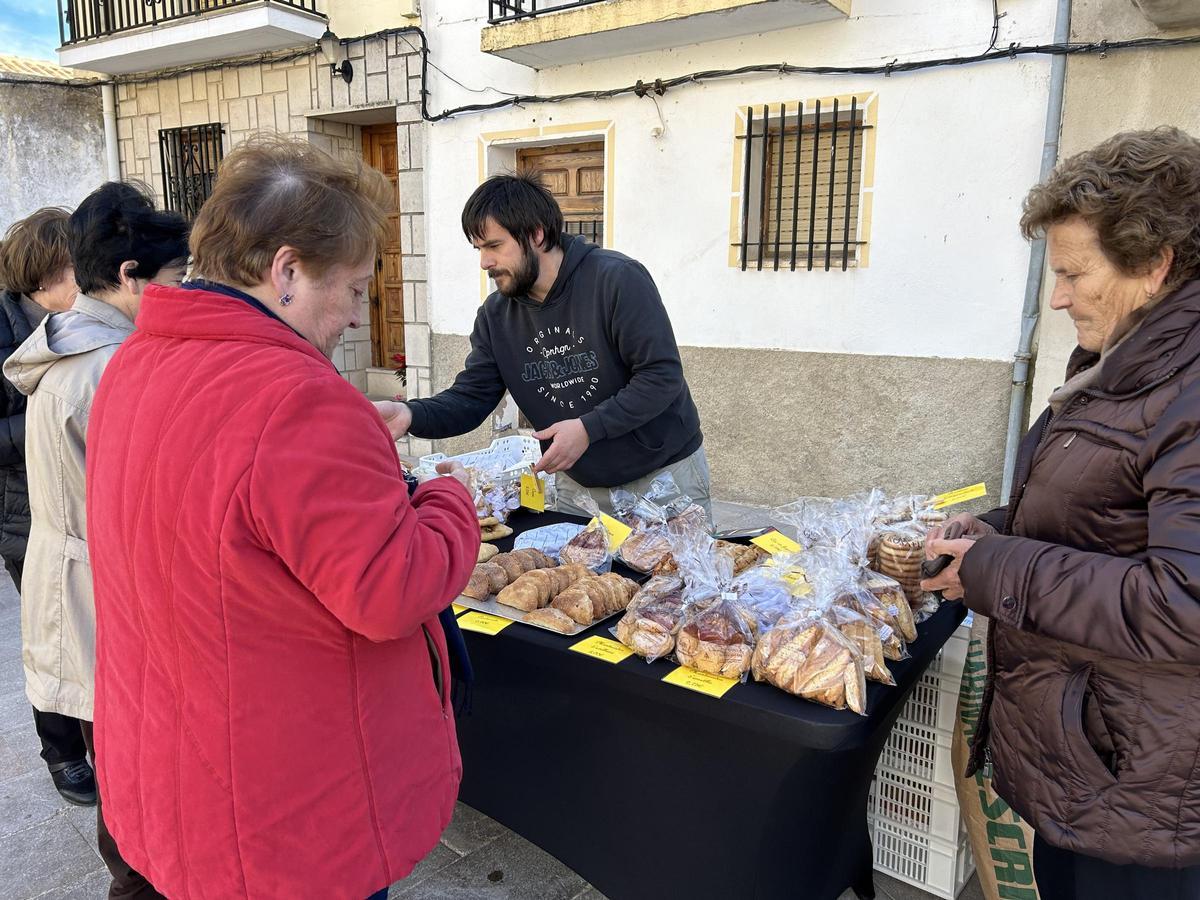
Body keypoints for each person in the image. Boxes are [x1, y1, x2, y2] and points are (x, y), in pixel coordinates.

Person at [86, 138, 480, 900]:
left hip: (178, 768)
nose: (356, 316)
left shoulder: (135, 363)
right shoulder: (296, 395)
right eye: (357, 289)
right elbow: (394, 590)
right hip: (286, 815)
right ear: (288, 271)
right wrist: (446, 497)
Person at [922, 127, 1200, 900]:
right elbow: (1099, 516)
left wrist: (997, 569)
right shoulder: (1126, 360)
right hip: (1096, 764)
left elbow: (1186, 600)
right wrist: (995, 530)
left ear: (1154, 265)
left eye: (1076, 272)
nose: (1057, 296)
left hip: (1148, 788)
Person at [4, 182, 188, 898]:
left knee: (118, 767)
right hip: (104, 598)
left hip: (75, 582)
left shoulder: (72, 350)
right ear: (128, 278)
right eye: (175, 280)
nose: (185, 292)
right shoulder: (114, 368)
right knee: (134, 782)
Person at [380, 172, 710, 518]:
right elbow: (472, 398)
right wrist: (412, 413)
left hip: (663, 479)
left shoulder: (617, 279)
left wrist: (587, 428)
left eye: (494, 246)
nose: (484, 262)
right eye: (479, 249)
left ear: (536, 233)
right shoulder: (496, 316)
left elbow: (660, 376)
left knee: (681, 573)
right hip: (578, 489)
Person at [0, 208, 97, 806]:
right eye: (76, 269)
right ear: (47, 272)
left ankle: (98, 735)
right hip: (22, 512)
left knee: (89, 630)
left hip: (80, 501)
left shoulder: (81, 324)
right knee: (52, 632)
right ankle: (61, 752)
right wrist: (46, 417)